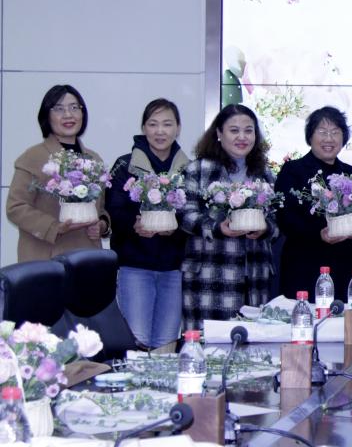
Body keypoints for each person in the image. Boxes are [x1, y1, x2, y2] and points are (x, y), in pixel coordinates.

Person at [179, 104, 278, 330]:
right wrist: (216, 228)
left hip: (254, 278)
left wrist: (265, 229)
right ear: (219, 133)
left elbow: (277, 222)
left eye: (248, 130)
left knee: (251, 343)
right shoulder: (197, 169)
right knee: (208, 343)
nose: (242, 137)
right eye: (234, 130)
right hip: (209, 276)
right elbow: (185, 215)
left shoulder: (265, 174)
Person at [106, 98, 190, 348]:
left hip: (173, 269)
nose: (160, 131)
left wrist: (175, 229)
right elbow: (113, 210)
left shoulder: (187, 169)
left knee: (166, 343)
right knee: (137, 340)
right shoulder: (125, 165)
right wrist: (134, 224)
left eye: (167, 124)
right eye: (153, 124)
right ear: (143, 128)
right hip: (135, 267)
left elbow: (192, 215)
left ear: (178, 128)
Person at [7, 84, 111, 262]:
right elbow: (16, 207)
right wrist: (54, 227)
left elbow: (101, 208)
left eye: (74, 107)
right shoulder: (33, 157)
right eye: (59, 109)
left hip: (88, 257)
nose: (68, 115)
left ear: (82, 113)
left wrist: (102, 225)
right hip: (45, 257)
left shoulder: (94, 159)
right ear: (47, 116)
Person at [275, 106, 352, 299]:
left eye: (335, 132)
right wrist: (318, 234)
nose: (329, 139)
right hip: (304, 267)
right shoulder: (293, 170)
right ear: (310, 136)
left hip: (345, 268)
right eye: (322, 132)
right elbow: (286, 219)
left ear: (343, 137)